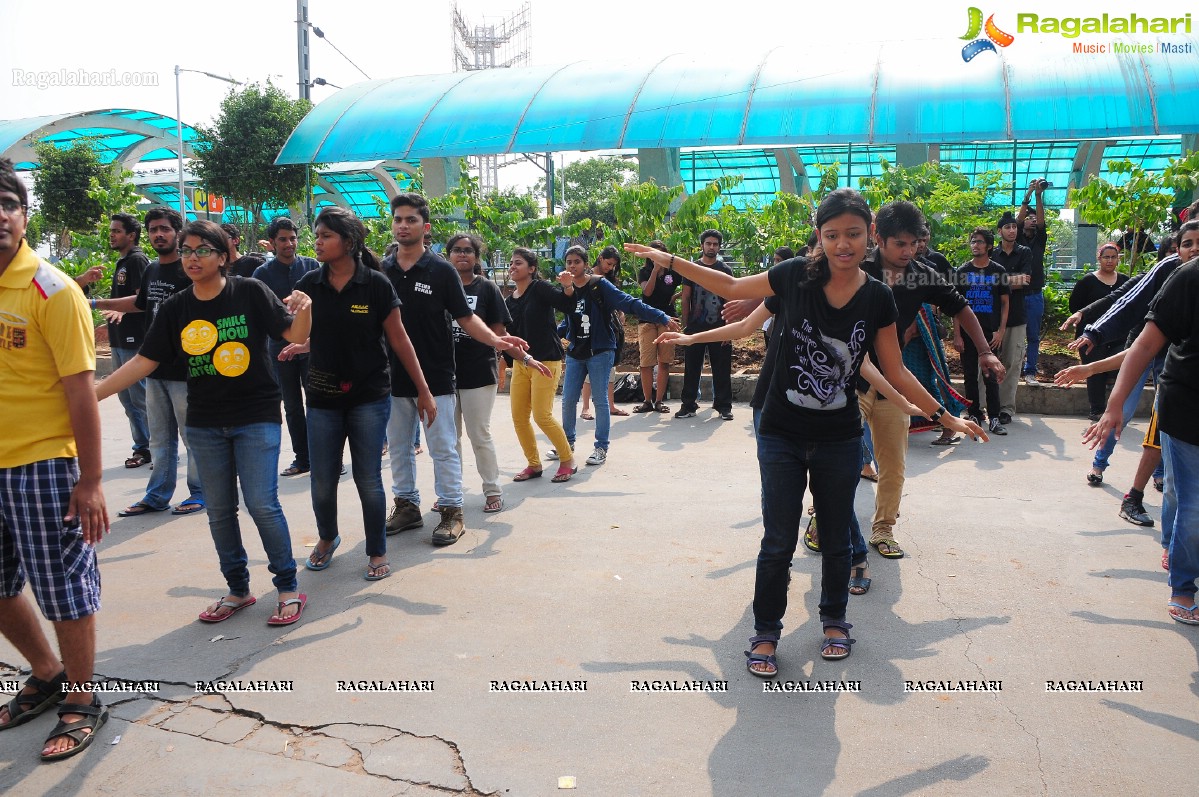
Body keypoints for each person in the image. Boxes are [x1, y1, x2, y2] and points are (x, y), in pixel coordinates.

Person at [626, 188, 985, 676]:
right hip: (781, 432)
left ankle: (834, 621)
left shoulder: (878, 297)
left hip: (839, 435)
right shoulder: (795, 276)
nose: (843, 244)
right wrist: (669, 259)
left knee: (836, 537)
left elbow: (896, 370)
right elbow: (731, 289)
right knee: (777, 540)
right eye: (832, 234)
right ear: (820, 236)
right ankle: (766, 631)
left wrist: (947, 417)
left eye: (854, 234)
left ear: (870, 236)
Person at [97, 220, 311, 625]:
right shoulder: (177, 306)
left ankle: (286, 586)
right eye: (187, 250)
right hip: (205, 420)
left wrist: (307, 310)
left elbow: (291, 335)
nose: (192, 258)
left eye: (202, 250)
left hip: (256, 416)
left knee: (262, 504)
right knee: (218, 510)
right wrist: (92, 396)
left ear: (223, 255)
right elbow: (145, 360)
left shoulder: (249, 291)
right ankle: (238, 589)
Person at [0, 158, 111, 762]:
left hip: (42, 463)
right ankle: (45, 672)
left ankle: (81, 698)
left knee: (63, 587)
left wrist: (90, 480)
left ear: (23, 215)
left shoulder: (53, 289)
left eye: (8, 203)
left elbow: (80, 389)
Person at [291, 207, 434, 580]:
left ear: (348, 242)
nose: (317, 242)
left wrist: (423, 390)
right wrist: (299, 340)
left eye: (325, 236)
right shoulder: (309, 284)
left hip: (369, 395)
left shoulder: (375, 284)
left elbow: (399, 340)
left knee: (367, 478)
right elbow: (299, 331)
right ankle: (327, 538)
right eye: (317, 236)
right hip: (322, 395)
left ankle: (377, 550)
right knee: (322, 477)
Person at [381, 194, 533, 546]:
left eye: (411, 220)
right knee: (399, 446)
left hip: (435, 375)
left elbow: (466, 319)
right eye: (398, 219)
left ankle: (451, 511)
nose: (403, 225)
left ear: (425, 227)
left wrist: (500, 342)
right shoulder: (383, 270)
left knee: (444, 446)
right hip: (392, 375)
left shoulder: (441, 271)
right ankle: (406, 506)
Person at [857, 201, 1002, 560]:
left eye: (914, 244)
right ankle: (822, 517)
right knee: (840, 457)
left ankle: (883, 529)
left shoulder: (921, 274)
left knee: (893, 463)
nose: (908, 252)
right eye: (900, 244)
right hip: (848, 379)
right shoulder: (855, 267)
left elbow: (961, 307)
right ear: (879, 238)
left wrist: (984, 351)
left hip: (893, 378)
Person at [1083, 254, 1199, 626]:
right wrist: (1113, 405)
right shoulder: (1188, 278)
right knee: (1191, 504)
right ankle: (1183, 586)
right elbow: (1143, 343)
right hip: (1187, 410)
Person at [93, 208, 205, 517]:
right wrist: (97, 303)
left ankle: (200, 492)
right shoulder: (153, 269)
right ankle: (157, 495)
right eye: (154, 229)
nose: (159, 234)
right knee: (159, 438)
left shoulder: (189, 270)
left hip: (186, 371)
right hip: (154, 368)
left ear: (177, 233)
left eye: (165, 229)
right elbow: (140, 303)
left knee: (192, 434)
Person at [554, 245, 679, 467]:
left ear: (585, 263)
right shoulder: (568, 289)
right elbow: (568, 320)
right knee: (568, 400)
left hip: (600, 350)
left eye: (576, 262)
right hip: (576, 351)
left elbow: (629, 303)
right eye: (569, 262)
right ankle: (566, 444)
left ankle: (601, 447)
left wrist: (660, 316)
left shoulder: (599, 285)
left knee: (601, 401)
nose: (572, 266)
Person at [447, 233, 510, 514]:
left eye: (468, 251)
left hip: (478, 372)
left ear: (476, 257)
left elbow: (498, 330)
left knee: (479, 434)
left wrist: (497, 356)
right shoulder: (441, 287)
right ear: (448, 255)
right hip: (443, 373)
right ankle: (451, 492)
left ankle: (492, 489)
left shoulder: (487, 289)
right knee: (449, 438)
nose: (462, 255)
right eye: (457, 251)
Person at [253, 218, 320, 477]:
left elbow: (323, 307)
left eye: (292, 238)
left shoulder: (312, 267)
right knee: (292, 406)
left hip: (312, 348)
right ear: (272, 243)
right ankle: (302, 459)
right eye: (282, 239)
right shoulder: (262, 275)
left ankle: (325, 459)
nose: (289, 243)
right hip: (279, 350)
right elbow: (259, 315)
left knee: (317, 403)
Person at [504, 247, 573, 482]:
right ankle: (534, 464)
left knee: (542, 416)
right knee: (519, 417)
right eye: (511, 263)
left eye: (518, 263)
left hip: (546, 360)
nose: (513, 267)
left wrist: (567, 286)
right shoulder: (508, 301)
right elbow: (506, 336)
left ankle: (567, 460)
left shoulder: (540, 289)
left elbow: (567, 305)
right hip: (521, 363)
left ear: (532, 269)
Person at [105, 212, 152, 468]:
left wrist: (120, 309)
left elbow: (141, 299)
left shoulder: (136, 261)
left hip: (134, 339)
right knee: (126, 397)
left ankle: (152, 447)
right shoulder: (123, 262)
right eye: (112, 231)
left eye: (117, 231)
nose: (112, 235)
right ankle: (143, 446)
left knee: (139, 396)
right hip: (119, 339)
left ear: (131, 235)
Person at [954, 228, 1010, 435]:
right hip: (967, 334)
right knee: (969, 376)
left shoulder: (998, 271)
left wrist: (1001, 331)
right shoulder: (962, 272)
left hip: (991, 333)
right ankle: (974, 414)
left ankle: (994, 417)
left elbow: (1005, 304)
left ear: (988, 246)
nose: (975, 245)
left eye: (979, 242)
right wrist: (957, 334)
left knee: (991, 376)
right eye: (972, 241)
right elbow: (955, 307)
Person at [676, 229, 734, 420]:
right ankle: (688, 404)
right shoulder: (691, 269)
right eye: (708, 243)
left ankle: (724, 406)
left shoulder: (725, 270)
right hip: (695, 327)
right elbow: (685, 298)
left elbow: (730, 299)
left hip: (720, 327)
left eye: (715, 244)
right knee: (691, 368)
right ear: (702, 245)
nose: (711, 247)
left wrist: (729, 328)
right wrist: (685, 326)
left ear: (719, 246)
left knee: (722, 368)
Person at [1068, 243, 1129, 420]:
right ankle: (1097, 410)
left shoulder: (1125, 281)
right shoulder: (1087, 281)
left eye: (1113, 257)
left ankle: (1115, 408)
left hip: (1118, 335)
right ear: (1099, 259)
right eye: (1106, 257)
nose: (1110, 261)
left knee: (1119, 365)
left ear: (1118, 259)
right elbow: (1075, 306)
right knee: (1094, 371)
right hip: (1090, 335)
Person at [988, 211, 1033, 424]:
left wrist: (998, 282)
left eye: (1015, 227)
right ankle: (984, 406)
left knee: (1013, 363)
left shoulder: (1024, 252)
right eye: (1008, 227)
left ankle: (1006, 409)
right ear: (1000, 231)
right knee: (987, 361)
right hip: (990, 318)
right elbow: (985, 281)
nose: (1012, 230)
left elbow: (1025, 280)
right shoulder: (991, 254)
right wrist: (1009, 281)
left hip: (1016, 317)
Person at [581, 247, 629, 419]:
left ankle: (611, 405)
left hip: (609, 328)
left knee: (610, 367)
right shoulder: (586, 276)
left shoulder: (610, 279)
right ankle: (585, 407)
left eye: (613, 265)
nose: (610, 268)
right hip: (589, 327)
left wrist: (621, 312)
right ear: (600, 258)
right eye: (608, 263)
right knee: (588, 368)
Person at [633, 239, 680, 414]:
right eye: (653, 254)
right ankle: (647, 401)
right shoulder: (644, 272)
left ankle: (659, 401)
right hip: (647, 319)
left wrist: (676, 296)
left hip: (668, 319)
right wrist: (655, 271)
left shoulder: (674, 273)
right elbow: (647, 292)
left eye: (660, 254)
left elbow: (690, 284)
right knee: (646, 362)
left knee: (664, 361)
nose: (657, 257)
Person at [1016, 180, 1050, 385]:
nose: (1031, 220)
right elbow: (1017, 221)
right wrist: (1028, 192)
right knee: (1014, 335)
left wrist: (1038, 196)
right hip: (1016, 294)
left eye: (1034, 217)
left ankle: (1030, 371)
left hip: (1035, 294)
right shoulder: (1017, 239)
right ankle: (1014, 368)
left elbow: (1042, 221)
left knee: (1033, 336)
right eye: (1028, 218)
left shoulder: (1040, 239)